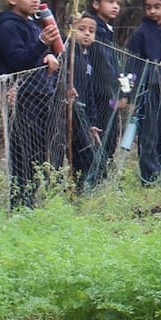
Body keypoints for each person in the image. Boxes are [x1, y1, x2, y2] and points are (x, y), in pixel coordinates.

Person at [0, 0, 62, 207]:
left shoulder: (32, 24)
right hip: (23, 98)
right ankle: (21, 202)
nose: (35, 0)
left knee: (38, 154)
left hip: (42, 94)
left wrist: (48, 54)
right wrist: (42, 42)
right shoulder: (7, 27)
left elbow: (36, 57)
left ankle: (31, 199)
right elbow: (17, 62)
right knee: (23, 153)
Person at [123, 0, 161, 186]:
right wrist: (131, 95)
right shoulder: (141, 33)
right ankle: (149, 177)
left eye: (157, 7)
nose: (153, 11)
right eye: (148, 7)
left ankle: (160, 171)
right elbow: (131, 65)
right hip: (148, 90)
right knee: (149, 134)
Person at [86, 0, 126, 176]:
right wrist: (113, 93)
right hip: (99, 95)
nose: (115, 6)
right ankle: (96, 177)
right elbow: (103, 67)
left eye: (118, 2)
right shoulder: (94, 30)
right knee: (101, 136)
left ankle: (104, 175)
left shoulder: (108, 30)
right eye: (110, 1)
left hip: (110, 94)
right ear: (96, 4)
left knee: (111, 136)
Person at [67, 13, 105, 190]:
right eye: (81, 29)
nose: (87, 34)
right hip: (69, 111)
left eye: (91, 31)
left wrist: (92, 121)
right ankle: (76, 188)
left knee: (88, 151)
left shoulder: (87, 57)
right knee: (79, 152)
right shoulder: (68, 53)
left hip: (83, 114)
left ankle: (85, 188)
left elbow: (89, 93)